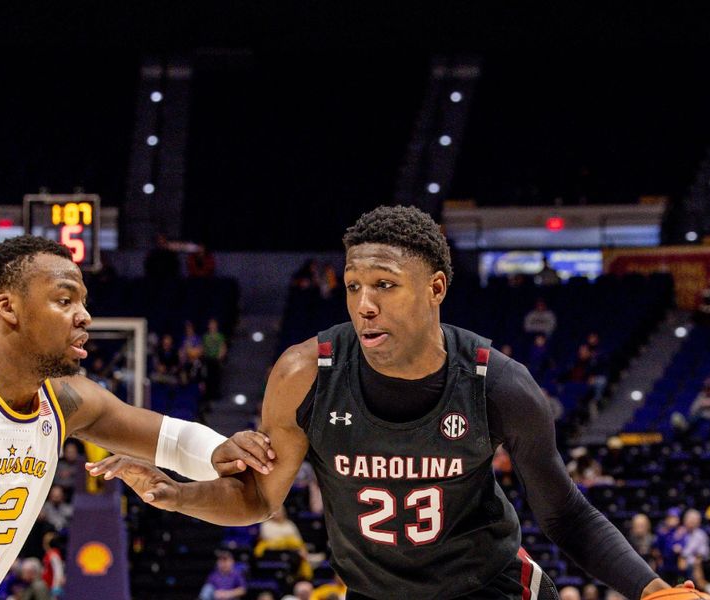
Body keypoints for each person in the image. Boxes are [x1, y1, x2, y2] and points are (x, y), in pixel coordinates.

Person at [91, 206, 680, 600]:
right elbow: (257, 499)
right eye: (353, 287)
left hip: (491, 588)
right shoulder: (304, 373)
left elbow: (566, 514)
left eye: (385, 285)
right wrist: (177, 495)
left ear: (436, 288)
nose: (364, 304)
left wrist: (651, 589)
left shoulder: (498, 383)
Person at [0, 235, 274, 597]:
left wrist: (225, 452)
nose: (85, 315)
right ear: (7, 307)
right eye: (64, 300)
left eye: (83, 302)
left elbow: (175, 442)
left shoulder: (65, 401)